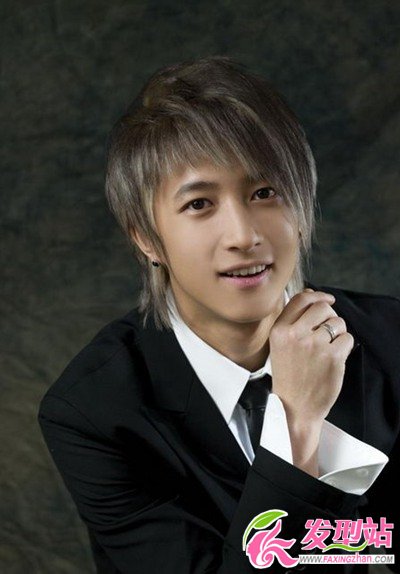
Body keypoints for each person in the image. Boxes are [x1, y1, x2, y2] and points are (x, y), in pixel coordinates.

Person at [38, 56, 400, 573]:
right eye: (199, 204)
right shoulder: (95, 413)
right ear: (146, 238)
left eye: (264, 192)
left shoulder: (389, 339)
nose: (244, 236)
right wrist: (297, 420)